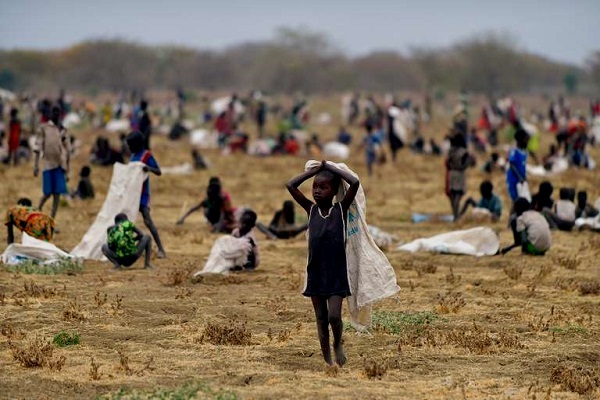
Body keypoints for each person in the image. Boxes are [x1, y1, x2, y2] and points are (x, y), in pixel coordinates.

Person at [286, 160, 360, 367]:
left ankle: (337, 343)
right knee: (320, 319)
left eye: (323, 187)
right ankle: (327, 359)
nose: (317, 191)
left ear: (334, 190)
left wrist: (333, 169)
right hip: (316, 272)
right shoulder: (310, 210)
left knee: (334, 317)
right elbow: (291, 185)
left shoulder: (340, 210)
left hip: (336, 273)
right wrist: (315, 171)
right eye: (315, 187)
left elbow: (354, 183)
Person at [127, 131, 166, 258]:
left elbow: (158, 171)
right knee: (127, 221)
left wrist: (148, 168)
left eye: (131, 145)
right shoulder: (133, 156)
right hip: (132, 194)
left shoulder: (146, 155)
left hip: (142, 194)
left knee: (148, 221)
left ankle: (161, 249)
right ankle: (133, 244)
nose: (129, 148)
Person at [33, 105, 71, 219]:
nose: (55, 114)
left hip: (60, 165)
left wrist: (68, 170)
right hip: (48, 164)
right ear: (50, 113)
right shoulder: (44, 128)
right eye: (53, 112)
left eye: (57, 112)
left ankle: (51, 221)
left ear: (60, 114)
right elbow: (38, 147)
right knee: (47, 193)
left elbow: (68, 150)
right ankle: (38, 209)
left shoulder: (63, 130)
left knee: (57, 195)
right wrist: (35, 166)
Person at [445, 134, 475, 221]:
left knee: (453, 195)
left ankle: (455, 214)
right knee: (458, 195)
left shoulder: (450, 151)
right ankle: (456, 216)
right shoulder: (463, 152)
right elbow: (467, 164)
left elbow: (447, 163)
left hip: (451, 174)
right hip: (459, 174)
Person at [506, 128, 529, 203]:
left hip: (521, 179)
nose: (527, 142)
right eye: (525, 140)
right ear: (520, 140)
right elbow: (512, 165)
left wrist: (524, 177)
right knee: (515, 200)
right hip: (514, 179)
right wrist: (520, 177)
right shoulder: (514, 151)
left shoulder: (525, 152)